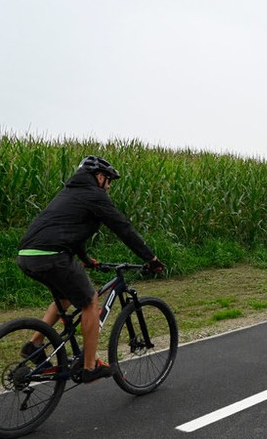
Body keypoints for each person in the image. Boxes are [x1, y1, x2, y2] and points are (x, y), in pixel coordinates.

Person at [16, 155, 164, 382]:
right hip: (53, 256)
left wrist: (85, 258)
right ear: (99, 176)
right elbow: (123, 228)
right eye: (109, 181)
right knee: (90, 301)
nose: (109, 186)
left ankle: (34, 344)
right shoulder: (95, 195)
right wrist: (151, 258)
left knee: (65, 298)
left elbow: (67, 230)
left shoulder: (69, 193)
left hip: (27, 255)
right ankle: (89, 366)